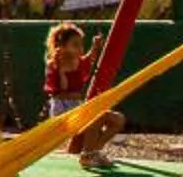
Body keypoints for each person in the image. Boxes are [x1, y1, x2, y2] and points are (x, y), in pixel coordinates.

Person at [42, 22, 125, 163]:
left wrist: (95, 46)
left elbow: (90, 58)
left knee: (117, 119)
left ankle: (94, 150)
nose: (80, 48)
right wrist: (61, 72)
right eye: (75, 45)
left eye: (81, 44)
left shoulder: (79, 62)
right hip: (62, 109)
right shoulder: (54, 64)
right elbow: (60, 91)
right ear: (61, 47)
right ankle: (87, 154)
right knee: (95, 117)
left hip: (78, 106)